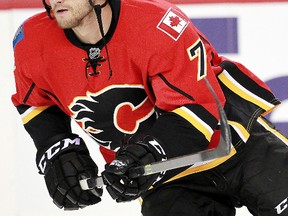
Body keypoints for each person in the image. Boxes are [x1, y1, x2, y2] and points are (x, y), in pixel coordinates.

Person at [11, 0, 288, 215]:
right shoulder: (32, 42)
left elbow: (199, 110)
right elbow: (34, 102)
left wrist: (146, 153)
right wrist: (58, 148)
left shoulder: (157, 23)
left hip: (237, 144)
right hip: (166, 179)